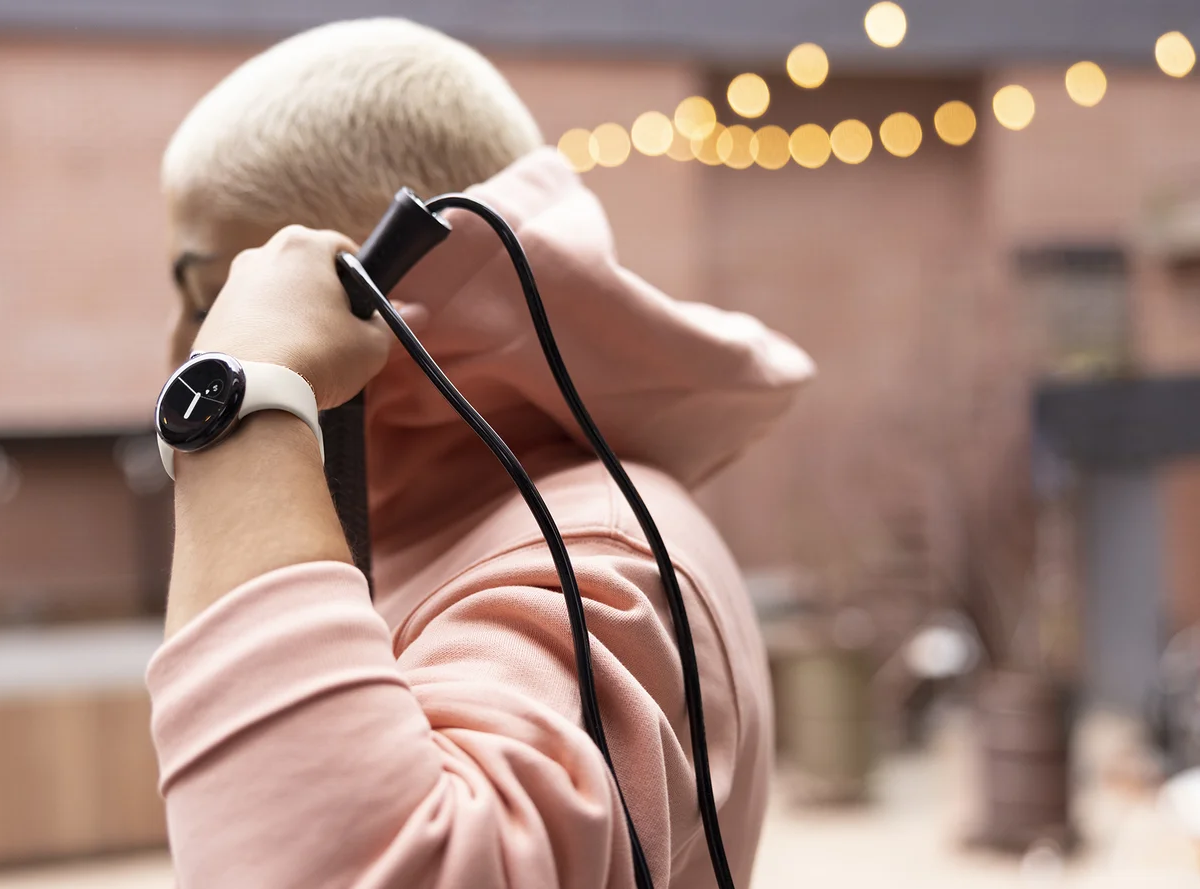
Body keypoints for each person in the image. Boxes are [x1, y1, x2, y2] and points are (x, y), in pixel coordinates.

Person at [148, 17, 815, 888]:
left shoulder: (598, 566)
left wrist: (241, 404)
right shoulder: (451, 527)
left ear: (366, 291)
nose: (179, 353)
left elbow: (365, 866)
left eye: (212, 299)